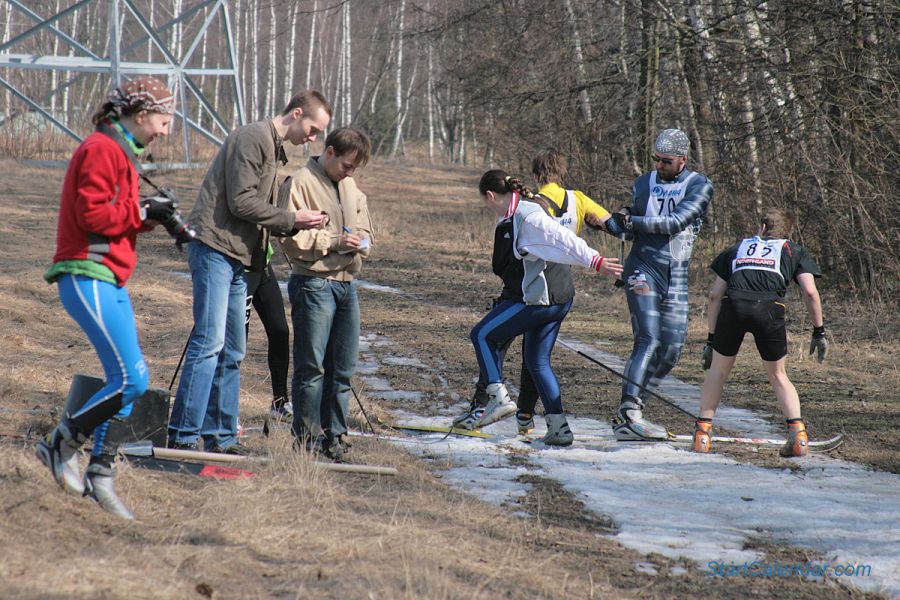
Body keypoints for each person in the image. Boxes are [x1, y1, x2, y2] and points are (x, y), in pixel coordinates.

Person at [37, 76, 176, 519]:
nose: (165, 129)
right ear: (139, 115)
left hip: (109, 277)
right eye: (162, 119)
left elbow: (121, 217)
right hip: (85, 273)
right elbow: (94, 214)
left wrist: (153, 216)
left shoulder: (123, 152)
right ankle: (61, 446)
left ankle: (101, 473)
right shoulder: (100, 148)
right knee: (131, 379)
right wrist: (141, 211)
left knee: (131, 379)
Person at [167, 91, 332, 454]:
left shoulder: (275, 148)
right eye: (313, 128)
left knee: (233, 351)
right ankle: (181, 435)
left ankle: (221, 438)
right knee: (209, 343)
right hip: (214, 248)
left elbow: (258, 210)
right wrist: (292, 219)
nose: (313, 138)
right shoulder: (253, 137)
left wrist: (293, 225)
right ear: (297, 113)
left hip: (240, 257)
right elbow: (241, 202)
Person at [452, 148, 617, 434]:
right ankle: (558, 428)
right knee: (537, 362)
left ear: (491, 196)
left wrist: (596, 261)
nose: (488, 208)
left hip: (538, 300)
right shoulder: (518, 212)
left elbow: (562, 237)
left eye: (486, 203)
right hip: (560, 298)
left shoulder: (527, 215)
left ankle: (498, 398)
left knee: (480, 334)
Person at [693, 208, 827, 457]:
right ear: (787, 232)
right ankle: (798, 435)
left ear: (762, 227)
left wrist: (711, 340)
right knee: (778, 375)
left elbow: (714, 296)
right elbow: (810, 292)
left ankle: (702, 434)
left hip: (734, 307)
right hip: (770, 310)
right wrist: (818, 331)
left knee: (718, 371)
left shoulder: (737, 249)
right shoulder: (793, 250)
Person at [607, 128, 713, 440]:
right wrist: (614, 221)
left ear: (683, 160)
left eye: (666, 161)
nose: (660, 165)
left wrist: (631, 222)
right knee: (648, 340)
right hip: (642, 269)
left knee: (671, 351)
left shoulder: (699, 185)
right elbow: (626, 229)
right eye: (656, 160)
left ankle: (633, 409)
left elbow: (673, 223)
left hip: (677, 274)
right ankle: (629, 411)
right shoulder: (643, 183)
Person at [280, 127, 373, 460]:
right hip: (314, 284)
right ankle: (305, 439)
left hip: (348, 286)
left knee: (343, 368)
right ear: (330, 152)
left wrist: (360, 242)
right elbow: (289, 240)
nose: (349, 173)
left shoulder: (350, 186)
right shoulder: (299, 182)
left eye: (354, 169)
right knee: (312, 367)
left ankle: (336, 435)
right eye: (347, 165)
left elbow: (366, 232)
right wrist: (333, 241)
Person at [244, 246, 292, 421]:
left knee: (280, 330)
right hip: (239, 268)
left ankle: (280, 402)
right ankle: (226, 409)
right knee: (237, 341)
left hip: (262, 263)